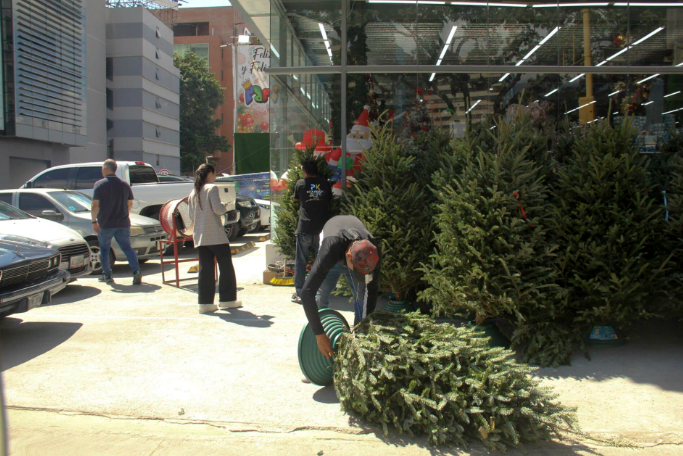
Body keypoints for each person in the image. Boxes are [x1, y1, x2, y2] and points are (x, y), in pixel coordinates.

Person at [300, 215, 381, 359]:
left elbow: (371, 293)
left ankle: (358, 347)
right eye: (357, 271)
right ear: (348, 256)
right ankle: (317, 351)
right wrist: (319, 334)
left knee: (362, 296)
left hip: (351, 250)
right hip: (333, 243)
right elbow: (307, 293)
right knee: (321, 295)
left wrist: (364, 329)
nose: (360, 275)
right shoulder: (329, 251)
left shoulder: (372, 253)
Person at [188, 164, 241, 314]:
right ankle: (227, 300)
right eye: (214, 173)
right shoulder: (212, 188)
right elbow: (218, 210)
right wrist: (225, 206)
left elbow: (191, 215)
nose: (215, 176)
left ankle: (205, 303)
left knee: (206, 270)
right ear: (209, 173)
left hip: (200, 237)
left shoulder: (193, 192)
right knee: (226, 268)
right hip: (216, 236)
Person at [91, 159, 142, 285]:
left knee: (104, 250)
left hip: (106, 223)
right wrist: (125, 213)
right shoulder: (124, 185)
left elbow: (95, 205)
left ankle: (107, 275)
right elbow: (129, 203)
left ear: (107, 169)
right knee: (127, 248)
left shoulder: (99, 184)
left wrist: (94, 221)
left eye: (102, 168)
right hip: (123, 222)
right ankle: (136, 271)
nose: (102, 170)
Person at [291, 160, 332, 304]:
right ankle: (320, 293)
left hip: (305, 228)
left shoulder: (300, 184)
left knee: (301, 262)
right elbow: (329, 200)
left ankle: (300, 293)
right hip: (322, 230)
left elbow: (296, 199)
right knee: (321, 262)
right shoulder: (326, 183)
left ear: (305, 172)